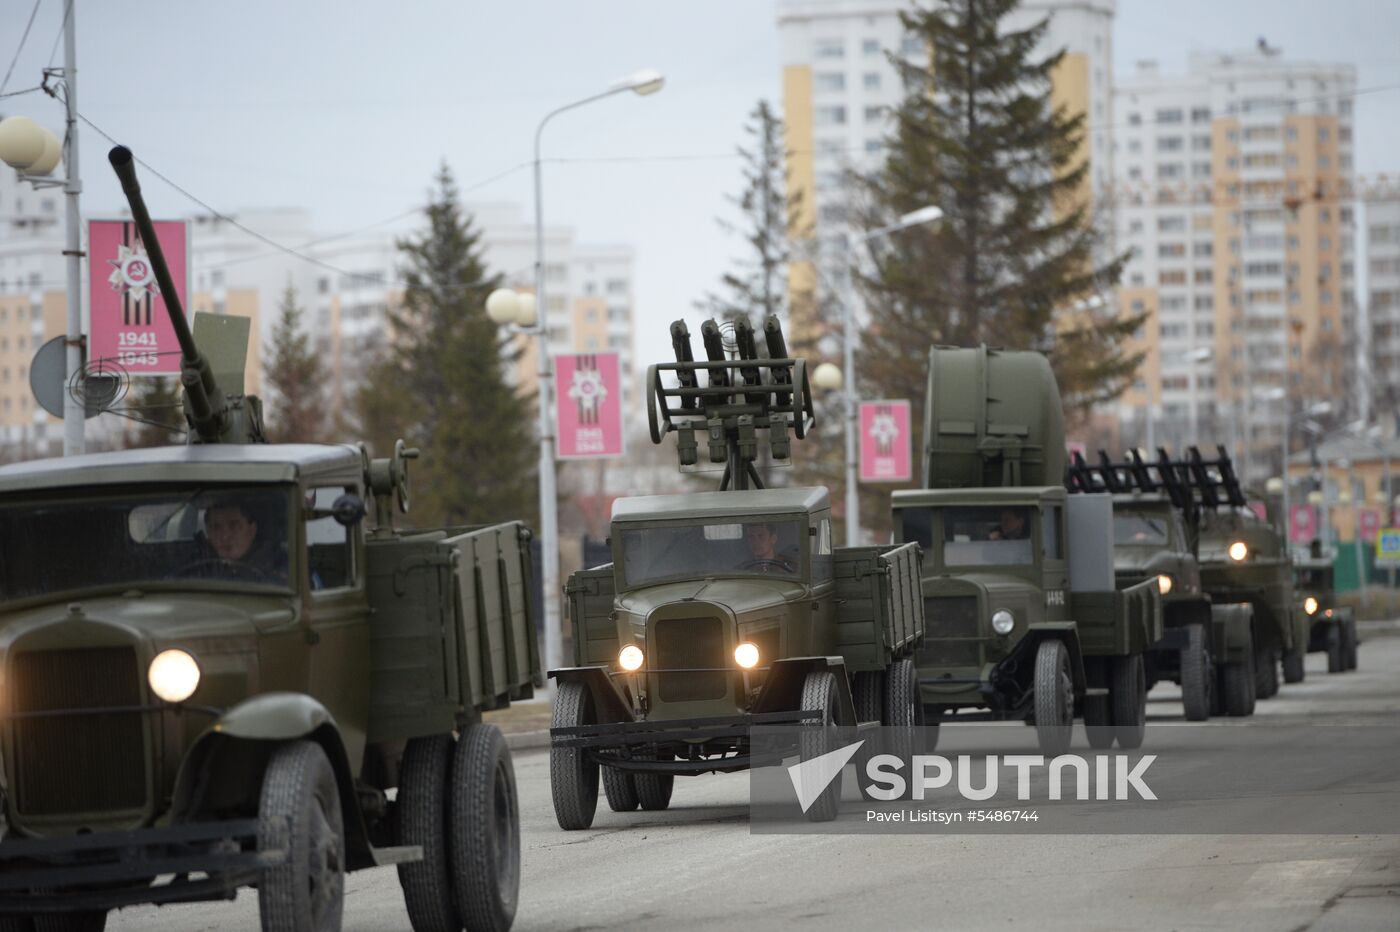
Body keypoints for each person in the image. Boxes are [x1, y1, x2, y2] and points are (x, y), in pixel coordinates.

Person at [203, 499, 286, 581]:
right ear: (208, 533)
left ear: (252, 531)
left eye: (234, 525)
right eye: (216, 527)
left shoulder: (276, 567)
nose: (224, 536)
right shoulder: (202, 563)